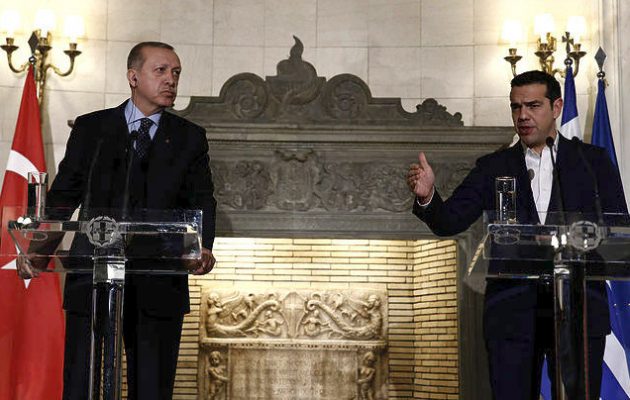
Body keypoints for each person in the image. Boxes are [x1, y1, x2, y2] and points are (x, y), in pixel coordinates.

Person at [406, 70, 627, 399]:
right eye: (516, 107)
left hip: (578, 311)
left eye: (533, 106)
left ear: (556, 107)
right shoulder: (493, 167)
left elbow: (618, 227)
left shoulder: (591, 162)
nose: (523, 115)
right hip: (512, 313)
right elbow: (449, 221)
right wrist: (427, 196)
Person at [19, 41, 217, 399]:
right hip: (93, 278)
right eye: (161, 71)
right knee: (81, 385)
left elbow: (202, 201)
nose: (171, 80)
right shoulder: (92, 129)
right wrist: (38, 250)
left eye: (176, 73)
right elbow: (64, 197)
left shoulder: (189, 138)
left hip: (158, 282)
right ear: (133, 77)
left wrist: (202, 247)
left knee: (152, 389)